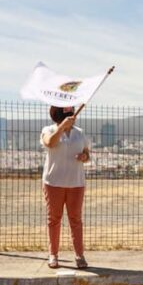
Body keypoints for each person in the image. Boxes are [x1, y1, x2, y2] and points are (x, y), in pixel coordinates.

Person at [40, 106, 90, 269]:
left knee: (76, 220)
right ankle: (53, 254)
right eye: (68, 114)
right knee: (54, 219)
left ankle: (79, 255)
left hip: (76, 182)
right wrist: (61, 128)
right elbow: (50, 143)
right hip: (53, 182)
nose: (72, 116)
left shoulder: (80, 133)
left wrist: (84, 157)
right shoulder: (48, 130)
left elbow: (87, 153)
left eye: (72, 113)